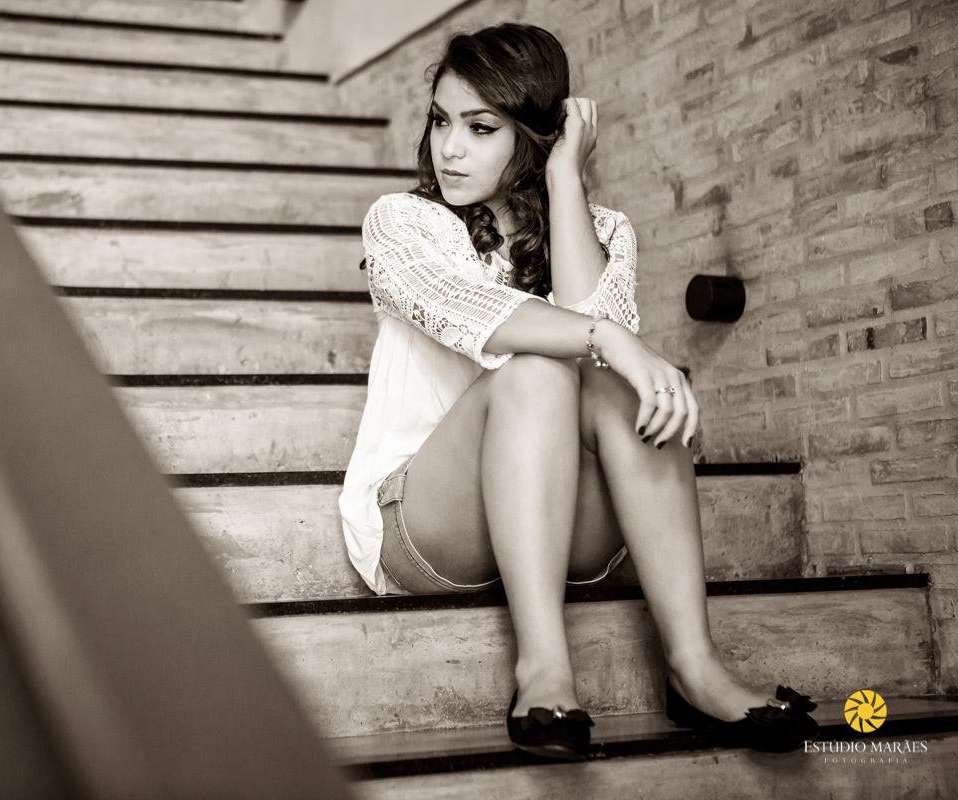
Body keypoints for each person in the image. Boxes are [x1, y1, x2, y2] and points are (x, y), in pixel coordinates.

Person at [337, 22, 819, 759]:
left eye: (480, 127)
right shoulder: (402, 223)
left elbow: (603, 352)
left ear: (536, 134)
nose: (449, 148)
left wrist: (565, 179)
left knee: (617, 389)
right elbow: (488, 317)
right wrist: (612, 339)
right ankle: (543, 668)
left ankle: (694, 666)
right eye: (440, 121)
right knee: (537, 366)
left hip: (563, 525)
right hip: (429, 520)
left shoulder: (605, 230)